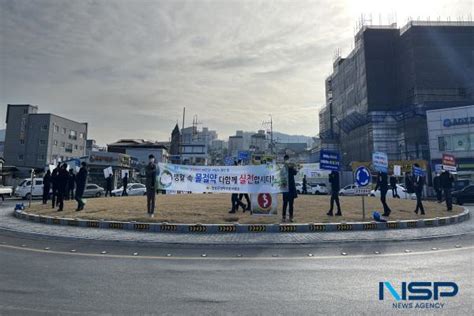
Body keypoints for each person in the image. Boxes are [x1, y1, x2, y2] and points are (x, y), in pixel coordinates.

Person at [282, 155, 298, 222]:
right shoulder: (288, 168)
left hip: (286, 188)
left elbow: (295, 172)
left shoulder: (284, 168)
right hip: (289, 188)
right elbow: (295, 172)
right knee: (289, 204)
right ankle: (289, 217)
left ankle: (284, 217)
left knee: (286, 204)